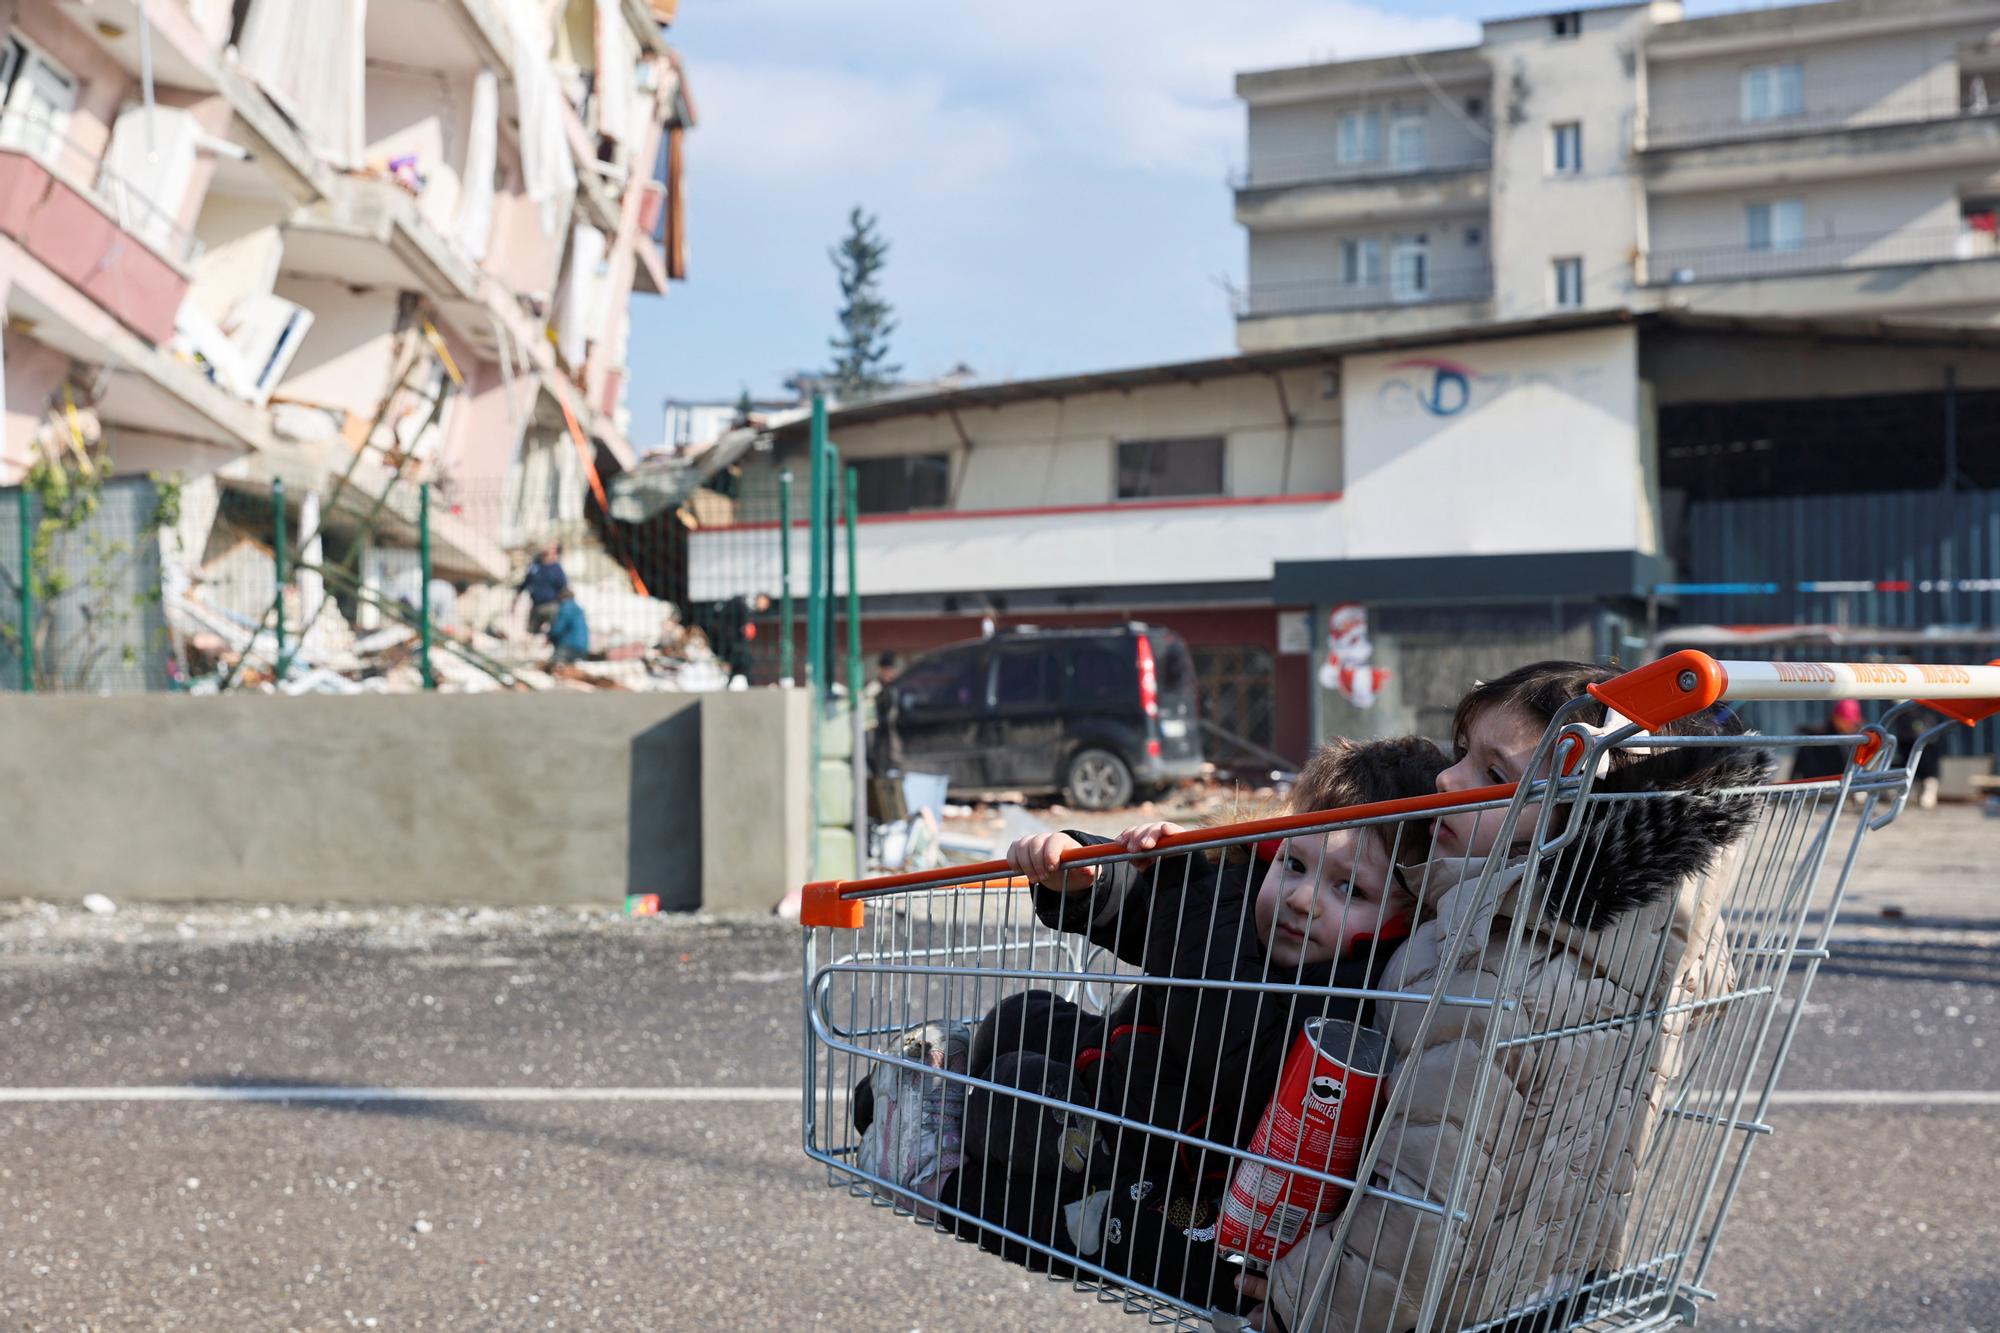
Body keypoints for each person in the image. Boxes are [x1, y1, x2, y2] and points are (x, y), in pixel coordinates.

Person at [1246, 661, 1768, 1333]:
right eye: (1462, 751)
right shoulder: (1649, 951)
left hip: (1438, 1303)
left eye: (1492, 775)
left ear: (1584, 814)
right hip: (1538, 1287)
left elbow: (1419, 1202)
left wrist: (1305, 1297)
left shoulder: (1484, 965)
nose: (1446, 779)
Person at [854, 736, 1449, 1312]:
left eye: (1350, 889)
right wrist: (1092, 876)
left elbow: (1225, 1040)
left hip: (1174, 1176)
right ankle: (929, 1094)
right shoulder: (1237, 902)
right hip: (1123, 1070)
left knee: (1029, 1111)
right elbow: (1148, 922)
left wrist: (1188, 884)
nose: (1302, 898)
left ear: (1401, 921)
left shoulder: (1350, 994)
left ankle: (940, 1183)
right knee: (1023, 1015)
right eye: (1293, 863)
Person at [1792, 698, 1864, 782]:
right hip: (1822, 787)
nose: (1851, 727)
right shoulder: (1814, 740)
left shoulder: (1852, 739)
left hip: (1828, 787)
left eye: (1854, 724)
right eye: (1849, 722)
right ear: (1836, 719)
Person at [515, 541, 567, 636]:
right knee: (530, 634)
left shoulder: (557, 570)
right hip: (536, 606)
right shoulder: (536, 564)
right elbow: (525, 582)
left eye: (551, 547)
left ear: (555, 552)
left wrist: (560, 606)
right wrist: (516, 599)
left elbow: (563, 589)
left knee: (551, 634)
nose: (546, 547)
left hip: (551, 607)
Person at [545, 587, 589, 666]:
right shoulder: (578, 609)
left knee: (553, 666)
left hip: (568, 646)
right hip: (582, 647)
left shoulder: (565, 608)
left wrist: (549, 636)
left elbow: (558, 629)